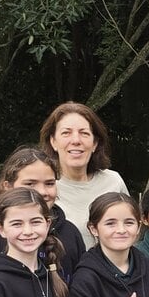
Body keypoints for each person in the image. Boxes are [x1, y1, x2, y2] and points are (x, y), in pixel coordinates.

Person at [0, 147, 85, 297]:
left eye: (49, 183)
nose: (42, 191)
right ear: (8, 187)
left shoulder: (70, 233)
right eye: (30, 184)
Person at [40, 101, 125, 246]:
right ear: (53, 141)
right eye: (66, 133)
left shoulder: (113, 181)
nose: (76, 140)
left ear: (95, 143)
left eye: (84, 133)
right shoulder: (43, 188)